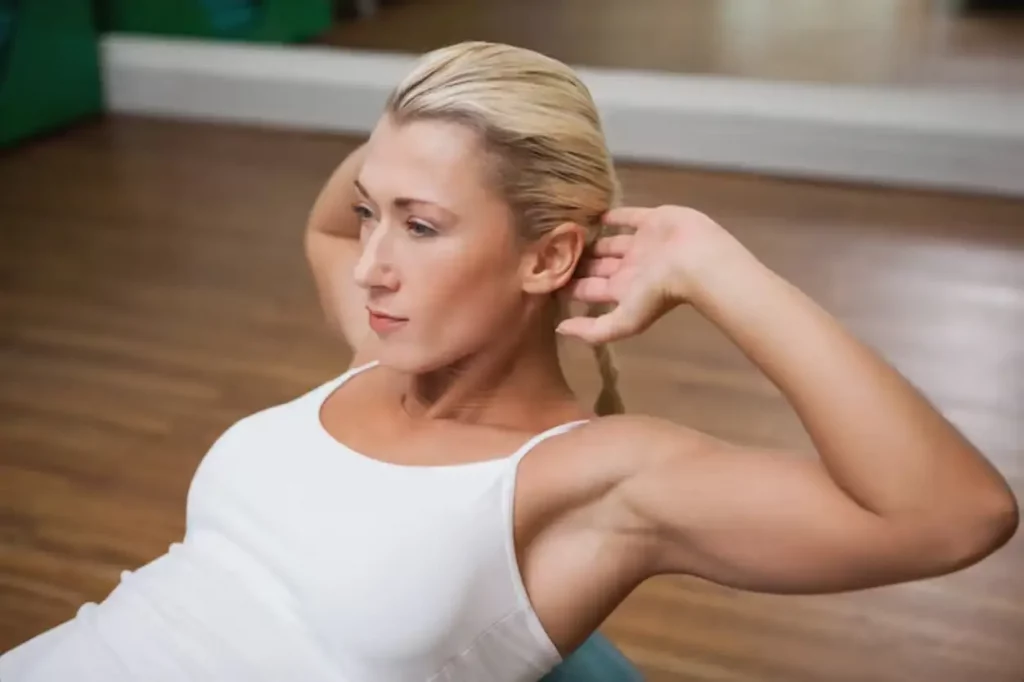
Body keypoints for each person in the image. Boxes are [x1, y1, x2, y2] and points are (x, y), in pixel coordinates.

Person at [0, 40, 1018, 682]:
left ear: (548, 256)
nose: (371, 268)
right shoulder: (376, 353)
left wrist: (714, 265)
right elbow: (326, 232)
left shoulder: (595, 481)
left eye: (422, 226)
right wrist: (429, 131)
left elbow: (950, 514)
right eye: (374, 216)